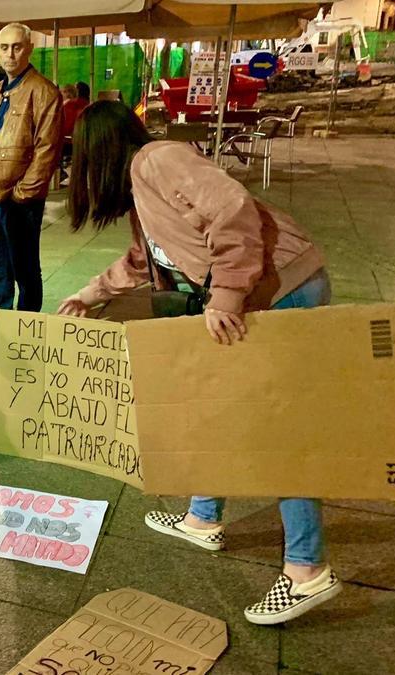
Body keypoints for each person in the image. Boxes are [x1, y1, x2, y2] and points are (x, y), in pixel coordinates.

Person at [58, 101, 336, 625]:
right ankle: (203, 517)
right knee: (221, 408)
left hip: (281, 291)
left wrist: (226, 294)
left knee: (278, 432)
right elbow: (146, 260)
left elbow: (232, 212)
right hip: (263, 293)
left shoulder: (157, 159)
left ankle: (307, 568)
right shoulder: (143, 185)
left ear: (98, 149)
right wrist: (90, 294)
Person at [0, 23, 61, 347]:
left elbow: (47, 149)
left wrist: (23, 193)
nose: (9, 53)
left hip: (19, 199)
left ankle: (27, 329)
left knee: (25, 267)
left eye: (17, 47)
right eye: (4, 47)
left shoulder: (43, 91)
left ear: (30, 48)